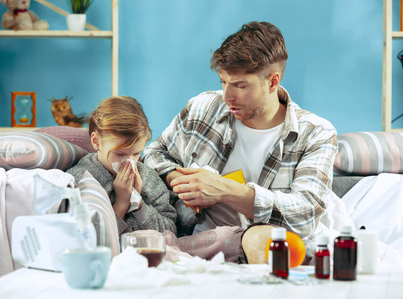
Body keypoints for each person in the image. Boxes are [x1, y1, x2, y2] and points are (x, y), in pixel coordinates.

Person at [143, 21, 337, 240]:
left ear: (273, 82)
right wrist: (181, 180)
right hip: (194, 244)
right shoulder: (203, 107)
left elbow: (306, 214)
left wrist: (223, 189)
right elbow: (154, 153)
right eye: (223, 82)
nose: (227, 96)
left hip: (268, 252)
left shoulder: (316, 133)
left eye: (240, 85)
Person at [66, 96, 177, 235]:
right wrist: (122, 203)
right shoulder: (79, 179)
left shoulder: (149, 178)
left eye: (136, 153)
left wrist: (138, 203)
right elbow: (86, 238)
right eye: (119, 154)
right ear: (96, 141)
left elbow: (170, 232)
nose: (129, 162)